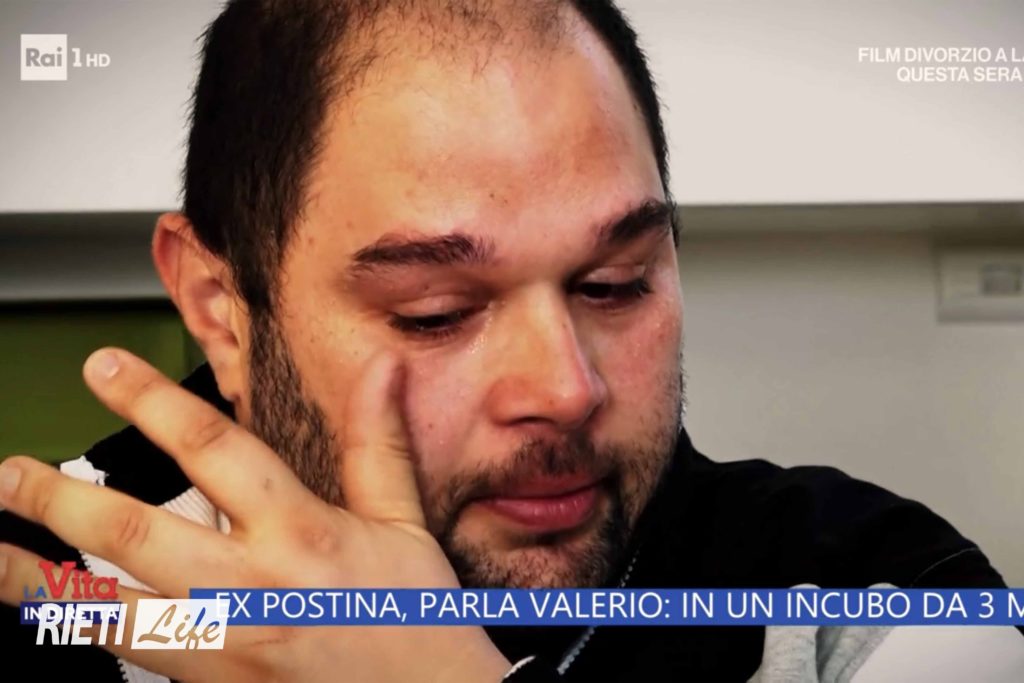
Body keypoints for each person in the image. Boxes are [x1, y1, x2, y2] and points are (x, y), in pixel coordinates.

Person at [0, 1, 1021, 681]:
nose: (565, 388)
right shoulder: (48, 595)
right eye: (435, 310)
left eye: (615, 283)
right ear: (221, 306)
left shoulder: (864, 592)